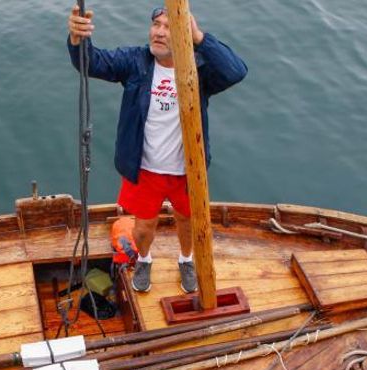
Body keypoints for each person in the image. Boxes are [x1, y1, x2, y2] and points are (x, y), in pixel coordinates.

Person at [67, 5, 247, 293]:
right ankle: (145, 259)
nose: (159, 32)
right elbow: (93, 63)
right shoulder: (136, 61)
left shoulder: (199, 68)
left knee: (187, 222)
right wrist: (78, 41)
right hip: (144, 168)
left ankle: (186, 259)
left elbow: (236, 71)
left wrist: (199, 37)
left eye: (168, 26)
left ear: (183, 34)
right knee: (142, 227)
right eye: (155, 25)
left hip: (187, 170)